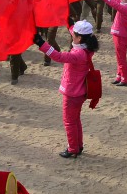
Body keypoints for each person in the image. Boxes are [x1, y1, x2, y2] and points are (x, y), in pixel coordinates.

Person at [33, 20, 99, 159]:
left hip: (72, 93)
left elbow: (58, 56)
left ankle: (73, 148)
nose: (72, 35)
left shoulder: (79, 53)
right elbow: (73, 31)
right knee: (75, 120)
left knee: (69, 121)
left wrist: (41, 43)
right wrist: (69, 23)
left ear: (79, 37)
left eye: (74, 34)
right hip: (80, 91)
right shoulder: (87, 46)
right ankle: (78, 145)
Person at [102, 0, 127, 87]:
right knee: (119, 58)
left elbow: (114, 4)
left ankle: (125, 79)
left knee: (121, 59)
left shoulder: (126, 8)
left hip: (120, 35)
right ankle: (119, 76)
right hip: (119, 35)